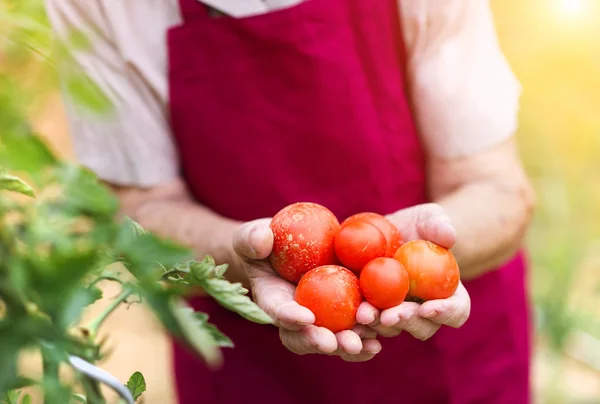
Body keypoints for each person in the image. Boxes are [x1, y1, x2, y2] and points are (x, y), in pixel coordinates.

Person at [45, 0, 536, 403]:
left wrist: (425, 259)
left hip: (455, 365)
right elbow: (141, 207)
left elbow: (497, 188)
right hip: (249, 364)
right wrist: (242, 257)